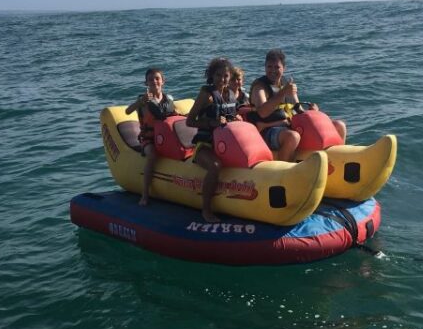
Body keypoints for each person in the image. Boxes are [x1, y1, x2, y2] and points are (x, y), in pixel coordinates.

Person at [249, 49, 346, 161]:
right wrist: (283, 92)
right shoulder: (260, 87)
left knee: (339, 125)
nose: (272, 70)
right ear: (265, 67)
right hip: (266, 132)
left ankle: (339, 160)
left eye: (277, 67)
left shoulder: (287, 84)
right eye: (269, 67)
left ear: (284, 69)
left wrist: (312, 111)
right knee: (292, 137)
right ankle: (285, 171)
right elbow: (262, 112)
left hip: (289, 126)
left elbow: (298, 109)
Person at [186, 57, 241, 223]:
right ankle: (206, 210)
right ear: (212, 76)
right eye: (218, 75)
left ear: (230, 76)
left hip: (225, 146)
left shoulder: (231, 95)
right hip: (205, 146)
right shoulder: (206, 95)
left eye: (225, 76)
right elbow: (190, 121)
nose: (222, 79)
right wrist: (211, 122)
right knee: (215, 166)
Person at [125, 68, 181, 206]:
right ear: (146, 83)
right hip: (148, 138)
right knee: (152, 154)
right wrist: (140, 102)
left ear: (163, 81)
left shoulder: (168, 99)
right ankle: (145, 194)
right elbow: (128, 111)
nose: (154, 81)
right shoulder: (143, 100)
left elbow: (174, 116)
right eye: (150, 79)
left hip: (165, 137)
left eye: (157, 78)